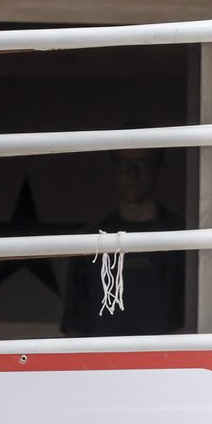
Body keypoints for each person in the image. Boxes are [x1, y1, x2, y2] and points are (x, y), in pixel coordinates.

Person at [61, 134, 185, 337]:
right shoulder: (91, 240)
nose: (132, 173)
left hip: (166, 361)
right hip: (102, 362)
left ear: (158, 168)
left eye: (142, 164)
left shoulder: (182, 238)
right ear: (112, 169)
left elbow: (191, 322)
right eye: (123, 164)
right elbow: (74, 327)